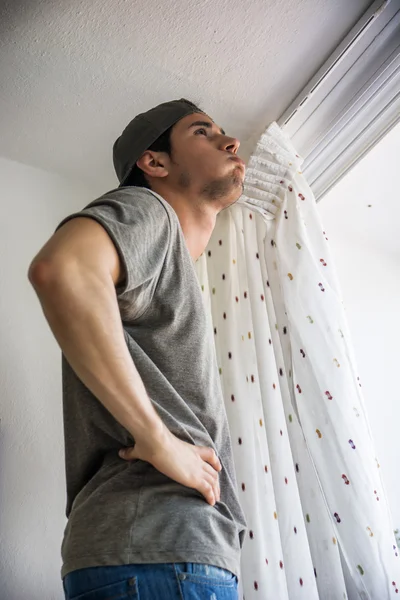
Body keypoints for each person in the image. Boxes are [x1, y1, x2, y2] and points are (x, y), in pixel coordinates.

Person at [28, 98, 248, 600]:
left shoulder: (162, 265)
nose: (231, 141)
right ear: (155, 163)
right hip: (162, 552)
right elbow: (62, 271)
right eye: (202, 132)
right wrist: (159, 439)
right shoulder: (149, 211)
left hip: (155, 554)